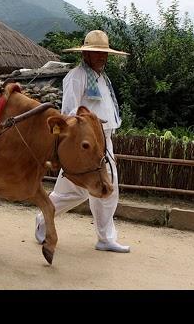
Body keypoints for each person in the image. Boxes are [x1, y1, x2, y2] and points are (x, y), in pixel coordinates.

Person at [35, 30, 131, 252]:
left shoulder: (102, 77)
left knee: (108, 186)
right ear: (86, 54)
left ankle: (105, 238)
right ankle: (42, 219)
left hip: (103, 139)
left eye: (104, 53)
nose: (102, 57)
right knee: (73, 192)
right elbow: (69, 112)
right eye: (96, 53)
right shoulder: (76, 77)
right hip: (84, 144)